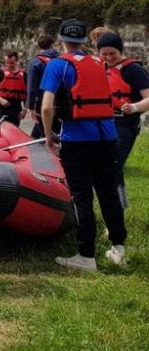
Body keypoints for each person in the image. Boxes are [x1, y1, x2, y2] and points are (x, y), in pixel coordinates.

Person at [40, 19, 126, 270]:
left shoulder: (58, 65)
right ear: (86, 41)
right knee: (108, 192)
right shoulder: (101, 63)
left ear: (61, 41)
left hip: (77, 139)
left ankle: (86, 256)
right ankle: (118, 249)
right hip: (107, 137)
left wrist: (48, 136)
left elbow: (46, 107)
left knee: (82, 197)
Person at [97, 31, 149, 208]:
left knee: (112, 168)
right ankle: (119, 206)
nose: (109, 57)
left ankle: (115, 213)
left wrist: (134, 107)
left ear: (120, 50)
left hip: (124, 125)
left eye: (113, 53)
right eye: (104, 54)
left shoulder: (134, 69)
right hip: (103, 122)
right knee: (109, 169)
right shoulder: (100, 67)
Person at [26, 35, 60, 140]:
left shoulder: (36, 62)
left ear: (38, 47)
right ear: (52, 45)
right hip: (60, 102)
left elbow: (32, 86)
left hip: (43, 101)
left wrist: (30, 107)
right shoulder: (62, 59)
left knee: (44, 131)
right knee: (54, 129)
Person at [0, 51, 27, 127]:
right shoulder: (0, 72)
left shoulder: (24, 74)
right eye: (6, 63)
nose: (8, 65)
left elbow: (26, 93)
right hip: (1, 108)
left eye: (11, 63)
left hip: (16, 109)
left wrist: (24, 109)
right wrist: (0, 99)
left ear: (17, 61)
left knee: (13, 132)